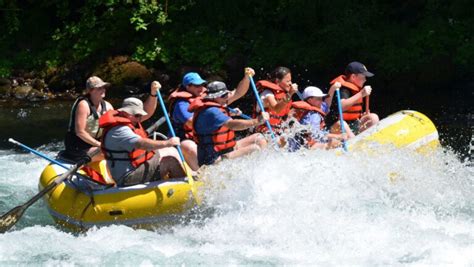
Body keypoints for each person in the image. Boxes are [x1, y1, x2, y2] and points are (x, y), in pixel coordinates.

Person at [169, 68, 255, 170]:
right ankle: (200, 173)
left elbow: (237, 93)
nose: (201, 88)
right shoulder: (181, 104)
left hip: (207, 138)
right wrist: (221, 117)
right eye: (197, 85)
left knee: (257, 139)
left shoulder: (209, 96)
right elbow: (192, 123)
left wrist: (246, 78)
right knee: (188, 146)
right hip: (187, 138)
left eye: (201, 84)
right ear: (188, 86)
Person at [99, 95, 186, 186]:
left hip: (136, 167)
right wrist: (167, 143)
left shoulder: (128, 122)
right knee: (169, 161)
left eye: (140, 116)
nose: (139, 119)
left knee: (170, 150)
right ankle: (185, 188)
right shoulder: (119, 130)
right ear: (124, 112)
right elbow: (140, 144)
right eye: (136, 115)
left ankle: (183, 178)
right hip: (127, 177)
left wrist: (167, 146)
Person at [189, 81, 269, 166]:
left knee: (259, 137)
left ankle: (265, 167)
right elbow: (232, 124)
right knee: (254, 148)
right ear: (213, 97)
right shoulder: (211, 111)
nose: (227, 98)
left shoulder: (218, 104)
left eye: (226, 94)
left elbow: (238, 92)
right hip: (213, 160)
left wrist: (246, 77)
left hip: (226, 151)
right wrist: (256, 121)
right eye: (223, 95)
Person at [62, 76, 114, 162]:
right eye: (99, 88)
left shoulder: (108, 106)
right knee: (108, 153)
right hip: (78, 146)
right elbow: (80, 132)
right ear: (90, 91)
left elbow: (115, 125)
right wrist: (100, 145)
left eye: (103, 87)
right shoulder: (83, 105)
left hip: (94, 143)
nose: (103, 90)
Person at [289, 86, 354, 151]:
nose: (321, 101)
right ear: (310, 100)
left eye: (321, 98)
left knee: (341, 123)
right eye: (318, 98)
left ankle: (353, 141)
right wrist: (337, 136)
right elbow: (315, 135)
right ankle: (351, 146)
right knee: (335, 142)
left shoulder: (315, 106)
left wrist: (332, 89)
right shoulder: (314, 116)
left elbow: (326, 105)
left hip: (306, 142)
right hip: (305, 147)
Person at [325, 61, 379, 134]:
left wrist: (362, 115)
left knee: (373, 118)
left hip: (353, 124)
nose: (365, 80)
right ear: (353, 77)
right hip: (337, 127)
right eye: (363, 76)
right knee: (344, 125)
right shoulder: (342, 89)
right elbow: (341, 106)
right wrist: (361, 94)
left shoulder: (357, 90)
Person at [254, 66, 299, 134]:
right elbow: (276, 109)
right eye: (288, 81)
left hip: (276, 130)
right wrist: (290, 94)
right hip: (262, 131)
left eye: (290, 80)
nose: (290, 83)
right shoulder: (267, 94)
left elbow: (283, 116)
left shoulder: (284, 95)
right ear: (277, 81)